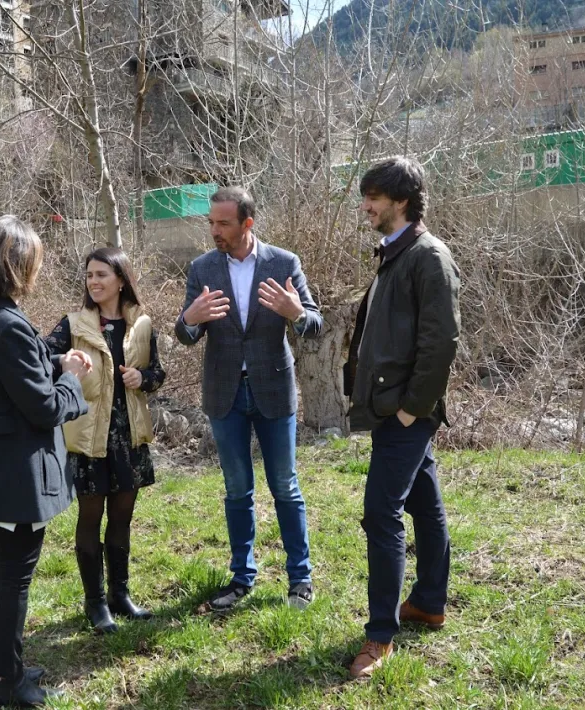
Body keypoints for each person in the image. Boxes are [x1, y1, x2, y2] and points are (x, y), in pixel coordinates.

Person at [0, 215, 92, 709]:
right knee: (13, 576)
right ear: (16, 266)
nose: (37, 271)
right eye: (34, 263)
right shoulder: (4, 325)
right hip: (11, 476)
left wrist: (51, 359)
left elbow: (13, 370)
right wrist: (70, 376)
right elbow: (45, 407)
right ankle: (7, 682)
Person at [175, 186, 324, 611]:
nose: (214, 230)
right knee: (237, 489)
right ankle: (242, 578)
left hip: (274, 388)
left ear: (247, 223)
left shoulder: (283, 263)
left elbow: (315, 324)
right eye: (211, 222)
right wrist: (189, 319)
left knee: (284, 486)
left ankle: (300, 579)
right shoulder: (202, 268)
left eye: (223, 223)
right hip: (225, 393)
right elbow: (184, 334)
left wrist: (296, 313)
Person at [343, 156, 461, 679]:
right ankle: (430, 601)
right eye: (366, 196)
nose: (365, 206)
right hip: (392, 407)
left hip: (406, 412)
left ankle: (380, 636)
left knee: (380, 512)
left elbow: (442, 344)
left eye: (374, 198)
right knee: (424, 501)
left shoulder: (429, 257)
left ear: (402, 202)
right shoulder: (396, 253)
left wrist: (414, 409)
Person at [45, 247, 165, 634]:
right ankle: (95, 603)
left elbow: (157, 373)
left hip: (128, 437)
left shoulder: (142, 325)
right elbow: (42, 361)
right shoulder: (73, 325)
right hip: (89, 438)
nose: (93, 282)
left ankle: (120, 595)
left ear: (121, 280)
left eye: (101, 275)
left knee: (123, 519)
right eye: (89, 275)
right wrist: (65, 367)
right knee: (90, 518)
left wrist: (142, 380)